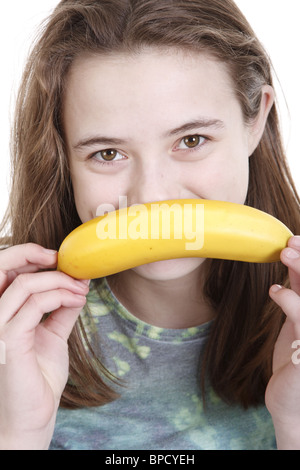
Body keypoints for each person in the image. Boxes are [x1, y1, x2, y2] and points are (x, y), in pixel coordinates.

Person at [0, 0, 300, 451]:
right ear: (62, 152)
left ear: (255, 119)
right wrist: (18, 433)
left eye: (191, 140)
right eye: (107, 153)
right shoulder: (9, 318)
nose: (152, 197)